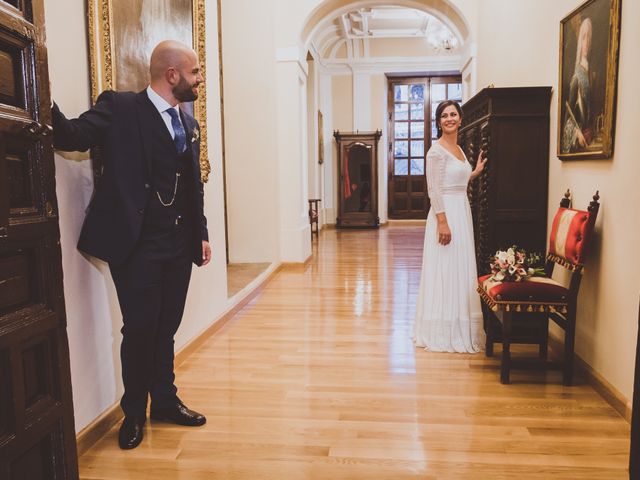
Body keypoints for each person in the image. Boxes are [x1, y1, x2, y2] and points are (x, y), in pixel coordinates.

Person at [52, 40, 211, 449]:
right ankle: (134, 413)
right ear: (172, 74)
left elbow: (193, 186)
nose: (199, 80)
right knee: (140, 329)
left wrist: (202, 233)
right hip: (136, 246)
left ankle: (165, 402)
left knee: (166, 328)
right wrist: (38, 96)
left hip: (178, 245)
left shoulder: (188, 124)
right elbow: (72, 135)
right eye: (195, 73)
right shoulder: (121, 107)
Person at [413, 100, 487, 353]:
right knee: (445, 267)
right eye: (444, 115)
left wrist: (474, 171)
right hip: (445, 214)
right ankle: (441, 327)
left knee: (459, 267)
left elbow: (457, 179)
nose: (449, 118)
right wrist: (442, 223)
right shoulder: (435, 151)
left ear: (460, 118)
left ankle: (460, 322)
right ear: (438, 122)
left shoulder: (459, 150)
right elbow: (434, 188)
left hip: (461, 211)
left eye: (453, 114)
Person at [561, 17, 594, 153]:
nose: (586, 42)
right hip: (579, 141)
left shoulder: (591, 73)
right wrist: (577, 133)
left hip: (588, 139)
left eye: (589, 37)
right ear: (580, 40)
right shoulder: (576, 78)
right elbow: (568, 119)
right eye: (584, 37)